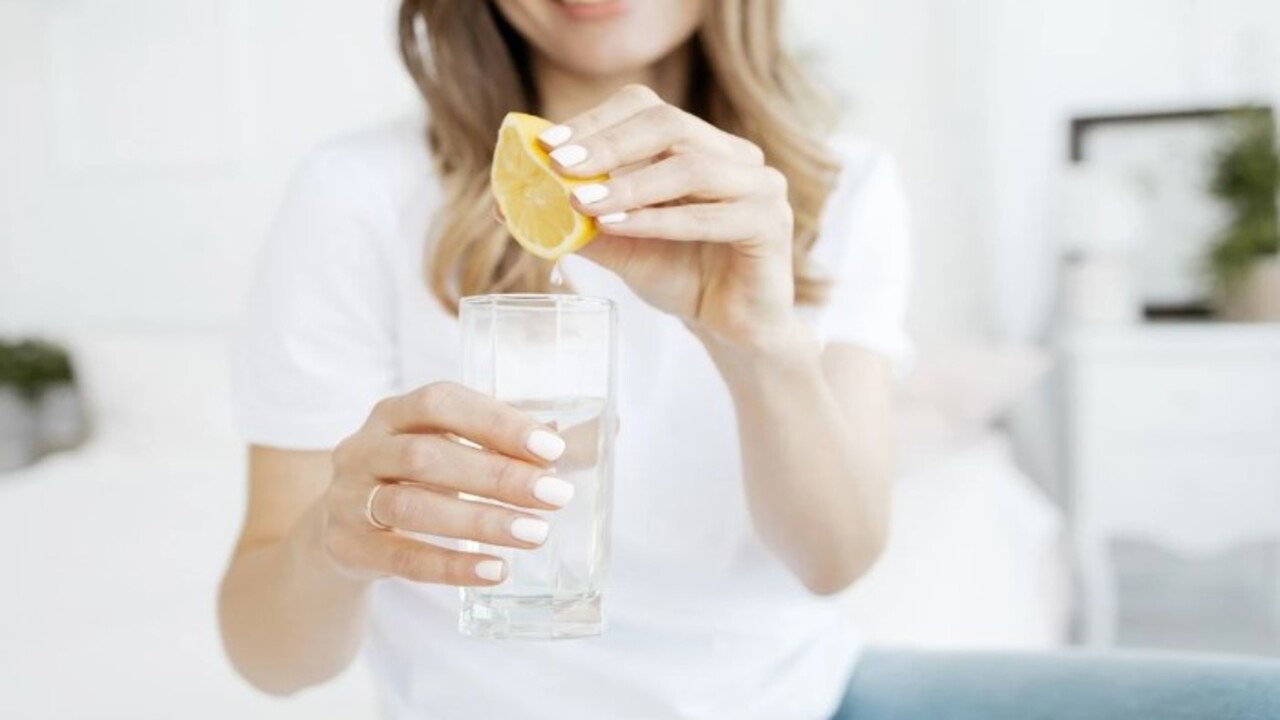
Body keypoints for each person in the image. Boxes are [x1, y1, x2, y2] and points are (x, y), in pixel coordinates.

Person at [218, 1, 1280, 718]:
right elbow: (267, 656)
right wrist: (332, 541)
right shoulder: (356, 194)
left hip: (796, 702)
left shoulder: (842, 188)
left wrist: (757, 340)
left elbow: (835, 560)